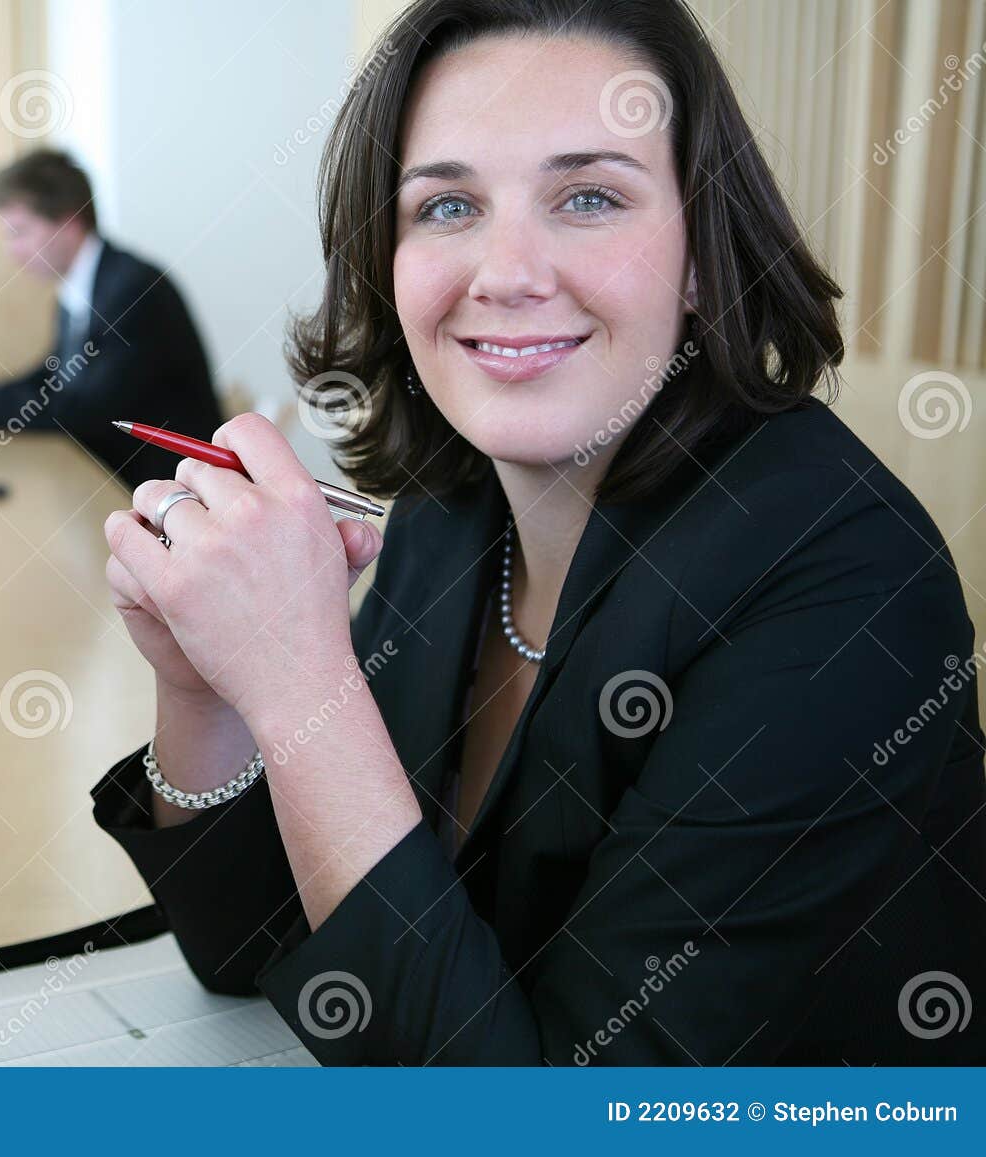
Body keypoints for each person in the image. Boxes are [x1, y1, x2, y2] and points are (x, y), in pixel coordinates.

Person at [93, 0, 986, 1064]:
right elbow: (256, 947)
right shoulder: (452, 506)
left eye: (589, 197)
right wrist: (207, 687)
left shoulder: (842, 579)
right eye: (446, 206)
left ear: (702, 256)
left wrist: (295, 681)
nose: (508, 272)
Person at [0, 149, 223, 488]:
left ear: (69, 224)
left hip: (174, 489)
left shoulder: (133, 291)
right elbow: (53, 377)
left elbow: (84, 411)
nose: (12, 250)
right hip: (118, 479)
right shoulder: (83, 283)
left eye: (20, 232)